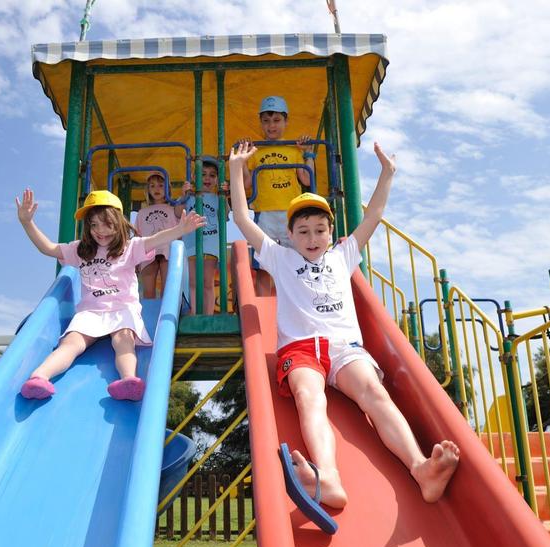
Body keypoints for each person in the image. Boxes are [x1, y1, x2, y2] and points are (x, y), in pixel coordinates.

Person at [228, 141, 460, 520]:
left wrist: (387, 174)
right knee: (309, 396)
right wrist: (237, 170)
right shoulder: (280, 258)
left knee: (374, 392)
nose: (313, 237)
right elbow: (241, 217)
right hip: (300, 349)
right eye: (303, 231)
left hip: (344, 347)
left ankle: (421, 469)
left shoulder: (344, 254)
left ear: (331, 231)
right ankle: (329, 478)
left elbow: (375, 214)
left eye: (320, 229)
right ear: (290, 235)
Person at [16, 188, 205, 401]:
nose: (100, 230)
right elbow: (49, 248)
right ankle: (39, 378)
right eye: (94, 224)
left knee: (123, 341)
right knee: (71, 343)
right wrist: (27, 223)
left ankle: (128, 380)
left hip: (122, 309)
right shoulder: (81, 250)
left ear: (118, 222)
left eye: (107, 223)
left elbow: (156, 238)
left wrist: (180, 228)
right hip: (90, 312)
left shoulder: (129, 247)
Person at [238, 95, 315, 297]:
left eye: (276, 120)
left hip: (291, 214)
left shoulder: (293, 149)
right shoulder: (256, 151)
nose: (272, 126)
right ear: (261, 123)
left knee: (297, 260)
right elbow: (246, 183)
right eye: (266, 121)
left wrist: (308, 153)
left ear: (286, 121)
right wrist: (244, 161)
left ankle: (299, 298)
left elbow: (306, 179)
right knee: (264, 263)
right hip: (264, 213)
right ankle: (264, 303)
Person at [176, 156, 229, 315]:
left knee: (207, 282)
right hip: (192, 243)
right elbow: (178, 213)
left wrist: (224, 195)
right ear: (194, 177)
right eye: (203, 174)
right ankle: (194, 313)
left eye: (212, 175)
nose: (207, 178)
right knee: (193, 281)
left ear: (217, 180)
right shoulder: (189, 197)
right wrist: (183, 195)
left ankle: (208, 315)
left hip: (211, 244)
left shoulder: (217, 197)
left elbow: (225, 215)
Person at [134, 171, 179, 298]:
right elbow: (138, 235)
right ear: (148, 190)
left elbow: (179, 230)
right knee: (148, 291)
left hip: (167, 250)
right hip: (148, 251)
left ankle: (165, 315)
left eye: (160, 185)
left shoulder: (172, 209)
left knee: (168, 287)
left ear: (167, 189)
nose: (156, 189)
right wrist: (136, 259)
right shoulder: (142, 212)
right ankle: (150, 316)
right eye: (152, 186)